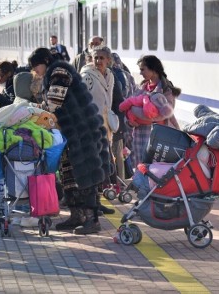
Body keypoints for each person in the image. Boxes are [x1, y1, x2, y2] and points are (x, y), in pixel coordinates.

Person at [42, 61, 111, 235]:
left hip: (80, 133)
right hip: (78, 130)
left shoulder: (58, 73)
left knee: (85, 176)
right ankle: (77, 216)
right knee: (70, 175)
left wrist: (36, 109)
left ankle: (92, 220)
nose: (36, 72)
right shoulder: (65, 71)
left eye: (36, 68)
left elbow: (53, 103)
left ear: (41, 64)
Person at [80, 46, 124, 216]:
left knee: (101, 165)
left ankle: (97, 202)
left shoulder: (110, 76)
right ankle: (89, 204)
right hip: (91, 125)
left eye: (101, 58)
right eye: (95, 58)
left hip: (105, 127)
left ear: (108, 60)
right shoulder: (87, 76)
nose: (98, 61)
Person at [128, 55, 181, 168]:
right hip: (139, 134)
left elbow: (164, 113)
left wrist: (138, 113)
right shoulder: (143, 87)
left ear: (153, 69)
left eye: (143, 69)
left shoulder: (165, 89)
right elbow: (130, 104)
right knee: (141, 166)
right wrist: (130, 120)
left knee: (155, 168)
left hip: (157, 136)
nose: (140, 73)